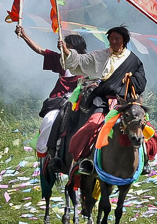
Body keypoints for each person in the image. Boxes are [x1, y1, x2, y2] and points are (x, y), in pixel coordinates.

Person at [59, 26, 148, 173]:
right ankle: (84, 160)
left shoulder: (133, 60)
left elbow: (142, 82)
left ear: (124, 41)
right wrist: (66, 50)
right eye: (111, 39)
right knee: (93, 124)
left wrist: (131, 78)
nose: (113, 41)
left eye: (117, 39)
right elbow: (81, 61)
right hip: (102, 100)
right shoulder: (100, 56)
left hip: (126, 103)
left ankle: (144, 162)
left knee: (142, 126)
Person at [14, 24, 87, 164]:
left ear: (76, 49)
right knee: (49, 121)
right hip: (61, 101)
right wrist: (24, 35)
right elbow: (40, 50)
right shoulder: (62, 60)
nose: (64, 49)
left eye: (68, 46)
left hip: (83, 102)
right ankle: (47, 153)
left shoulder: (88, 62)